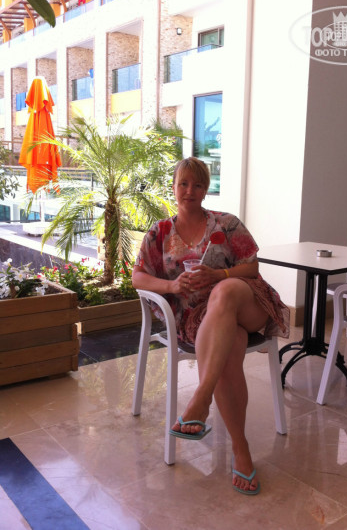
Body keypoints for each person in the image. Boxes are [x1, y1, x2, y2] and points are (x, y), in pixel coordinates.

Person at [132, 157, 289, 495]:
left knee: (226, 290)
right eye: (183, 183)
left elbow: (251, 267)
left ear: (206, 190)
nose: (190, 190)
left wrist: (218, 275)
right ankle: (241, 449)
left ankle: (200, 399)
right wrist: (173, 285)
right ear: (174, 187)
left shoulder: (226, 224)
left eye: (198, 184)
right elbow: (138, 277)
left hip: (247, 303)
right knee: (230, 345)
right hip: (197, 320)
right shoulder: (159, 233)